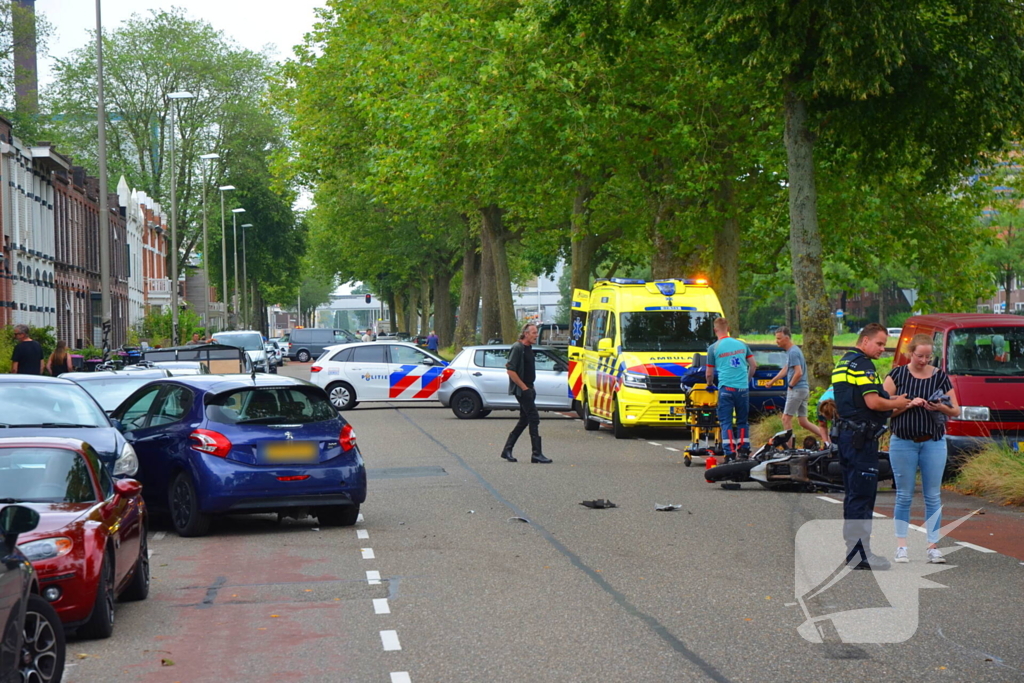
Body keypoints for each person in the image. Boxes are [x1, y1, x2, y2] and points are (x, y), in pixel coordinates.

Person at [832, 323, 910, 571]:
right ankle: (859, 554)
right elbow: (874, 402)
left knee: (853, 494)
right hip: (860, 439)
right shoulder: (863, 365)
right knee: (863, 496)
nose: (882, 349)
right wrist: (899, 402)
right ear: (864, 341)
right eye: (878, 343)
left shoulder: (843, 363)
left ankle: (853, 551)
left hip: (846, 436)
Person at [883, 333, 959, 565]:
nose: (924, 360)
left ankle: (933, 546)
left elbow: (955, 410)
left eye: (928, 356)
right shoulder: (896, 374)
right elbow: (882, 409)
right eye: (919, 356)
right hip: (903, 441)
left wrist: (939, 407)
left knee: (933, 495)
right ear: (909, 353)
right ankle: (901, 547)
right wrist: (906, 404)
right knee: (904, 495)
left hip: (933, 441)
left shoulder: (939, 377)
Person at [706, 317, 757, 459]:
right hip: (742, 389)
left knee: (726, 421)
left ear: (715, 330)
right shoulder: (741, 345)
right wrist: (746, 382)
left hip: (726, 389)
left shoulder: (713, 348)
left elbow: (709, 373)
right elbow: (753, 365)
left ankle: (730, 453)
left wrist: (709, 385)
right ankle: (743, 450)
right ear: (728, 329)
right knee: (742, 421)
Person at [500, 323, 552, 464]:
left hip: (529, 388)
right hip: (522, 390)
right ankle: (536, 453)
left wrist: (531, 387)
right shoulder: (518, 348)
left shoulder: (529, 348)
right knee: (534, 418)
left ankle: (507, 450)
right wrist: (524, 388)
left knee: (525, 420)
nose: (536, 335)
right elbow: (511, 370)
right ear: (526, 334)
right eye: (534, 333)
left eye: (536, 333)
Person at [769, 327, 823, 446]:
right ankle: (827, 438)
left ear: (786, 338)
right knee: (803, 421)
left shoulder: (793, 352)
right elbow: (786, 369)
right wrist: (772, 381)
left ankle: (789, 449)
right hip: (803, 389)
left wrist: (791, 385)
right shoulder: (793, 351)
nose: (776, 341)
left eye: (779, 338)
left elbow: (798, 372)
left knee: (785, 419)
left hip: (797, 389)